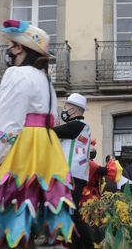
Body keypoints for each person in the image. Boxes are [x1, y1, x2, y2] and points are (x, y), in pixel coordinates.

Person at [0, 19, 74, 247]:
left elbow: (7, 126)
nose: (9, 50)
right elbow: (50, 119)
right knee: (28, 221)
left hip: (22, 152)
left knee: (4, 224)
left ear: (19, 48)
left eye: (11, 45)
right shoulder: (46, 81)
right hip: (46, 154)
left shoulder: (17, 74)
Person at [53, 92, 93, 249]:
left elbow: (52, 131)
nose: (64, 109)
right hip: (74, 175)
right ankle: (79, 245)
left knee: (71, 212)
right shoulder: (78, 127)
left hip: (73, 176)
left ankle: (86, 245)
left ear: (74, 110)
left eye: (66, 106)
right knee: (69, 212)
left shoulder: (77, 125)